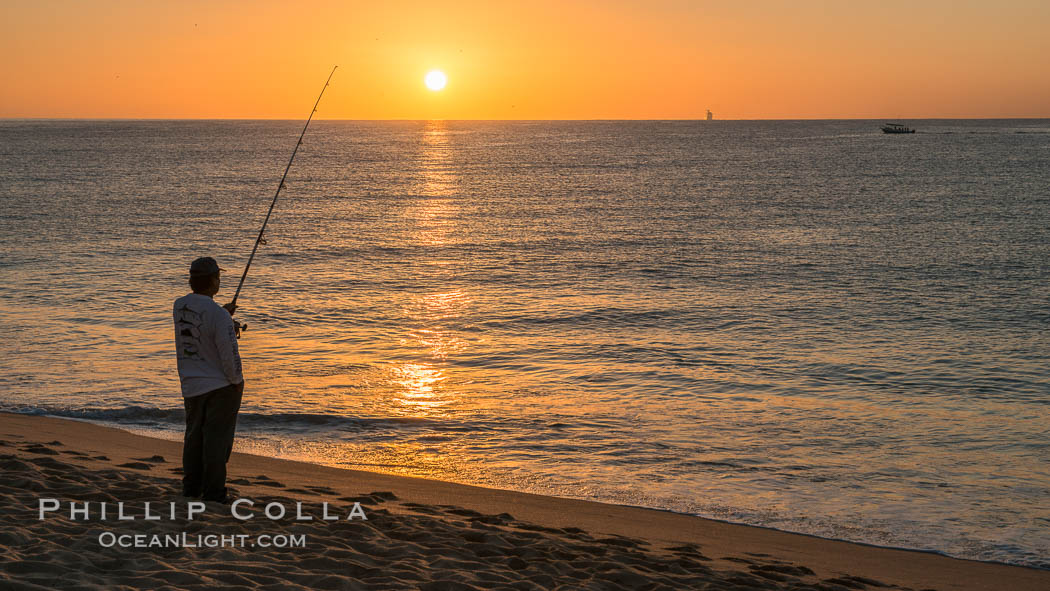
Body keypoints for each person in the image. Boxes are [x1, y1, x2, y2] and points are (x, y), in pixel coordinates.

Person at [173, 256, 244, 503]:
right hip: (221, 387)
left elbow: (199, 324)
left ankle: (191, 488)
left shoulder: (180, 306)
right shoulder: (218, 316)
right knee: (217, 441)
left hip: (191, 384)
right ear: (214, 281)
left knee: (194, 437)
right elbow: (229, 356)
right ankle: (214, 493)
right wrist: (238, 382)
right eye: (218, 277)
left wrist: (223, 316)